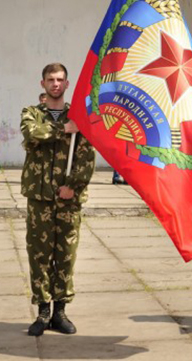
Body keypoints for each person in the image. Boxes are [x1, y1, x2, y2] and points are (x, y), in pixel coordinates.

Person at [21, 63, 95, 336]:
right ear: (42, 84)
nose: (55, 83)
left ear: (67, 84)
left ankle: (60, 311)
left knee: (65, 255)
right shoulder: (32, 113)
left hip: (67, 200)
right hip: (39, 197)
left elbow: (87, 157)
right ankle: (42, 311)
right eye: (50, 79)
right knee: (38, 256)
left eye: (60, 79)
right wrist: (64, 128)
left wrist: (72, 186)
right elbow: (32, 134)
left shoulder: (79, 117)